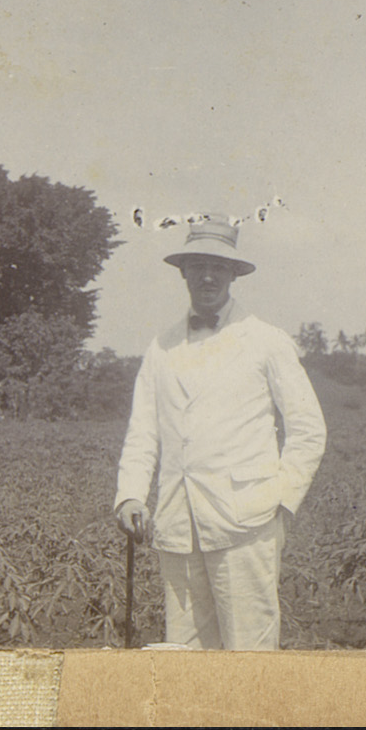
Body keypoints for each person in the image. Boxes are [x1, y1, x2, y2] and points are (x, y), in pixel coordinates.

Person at [113, 215, 327, 650]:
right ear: (183, 271)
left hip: (246, 522)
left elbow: (308, 429)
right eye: (197, 265)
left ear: (234, 273)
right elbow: (142, 432)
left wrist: (278, 502)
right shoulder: (161, 347)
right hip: (177, 523)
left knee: (250, 655)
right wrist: (131, 495)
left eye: (218, 266)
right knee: (185, 653)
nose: (207, 276)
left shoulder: (266, 340)